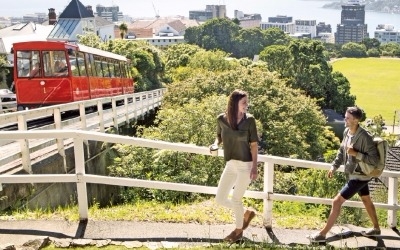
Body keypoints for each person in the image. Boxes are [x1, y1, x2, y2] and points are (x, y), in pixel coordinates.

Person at [308, 106, 381, 243]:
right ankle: (376, 228)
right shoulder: (347, 132)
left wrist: (356, 154)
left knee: (337, 201)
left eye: (347, 117)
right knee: (366, 199)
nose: (344, 119)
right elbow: (342, 151)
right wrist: (334, 166)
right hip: (354, 174)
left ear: (356, 120)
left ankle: (322, 235)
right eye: (345, 116)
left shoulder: (364, 137)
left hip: (360, 176)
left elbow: (374, 160)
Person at [210, 89, 259, 243]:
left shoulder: (250, 121)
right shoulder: (221, 119)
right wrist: (215, 144)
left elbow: (254, 145)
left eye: (247, 102)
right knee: (220, 198)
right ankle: (246, 213)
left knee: (236, 199)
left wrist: (255, 167)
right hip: (231, 164)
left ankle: (238, 233)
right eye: (244, 102)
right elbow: (219, 136)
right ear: (235, 103)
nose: (247, 105)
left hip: (246, 165)